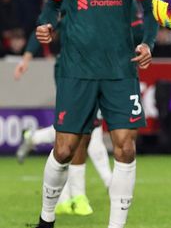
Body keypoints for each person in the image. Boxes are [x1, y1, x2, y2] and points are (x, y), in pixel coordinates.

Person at [24, 0, 157, 228]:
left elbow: (151, 10)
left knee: (126, 147)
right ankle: (45, 222)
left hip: (120, 69)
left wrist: (148, 43)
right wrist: (45, 27)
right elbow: (50, 9)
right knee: (64, 149)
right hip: (77, 68)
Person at [14, 29, 113, 216]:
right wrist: (27, 58)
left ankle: (33, 138)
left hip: (93, 68)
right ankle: (75, 196)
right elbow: (43, 25)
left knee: (87, 129)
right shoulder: (71, 7)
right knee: (75, 130)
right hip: (71, 71)